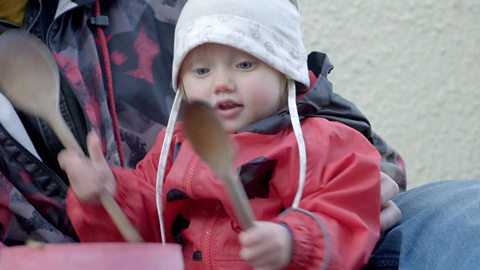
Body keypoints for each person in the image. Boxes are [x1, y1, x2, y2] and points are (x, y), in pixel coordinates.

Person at [59, 0, 382, 269]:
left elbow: (347, 217)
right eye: (201, 71)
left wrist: (293, 241)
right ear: (182, 85)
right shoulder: (174, 147)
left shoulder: (322, 141)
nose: (221, 82)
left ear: (286, 70)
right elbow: (142, 228)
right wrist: (105, 197)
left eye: (244, 65)